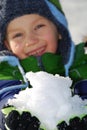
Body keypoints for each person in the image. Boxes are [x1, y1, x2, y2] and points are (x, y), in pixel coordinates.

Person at [0, 0, 87, 129]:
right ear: (7, 44)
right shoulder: (6, 71)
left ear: (58, 29)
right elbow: (4, 95)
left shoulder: (80, 62)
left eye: (39, 27)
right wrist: (11, 114)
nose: (31, 40)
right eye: (18, 35)